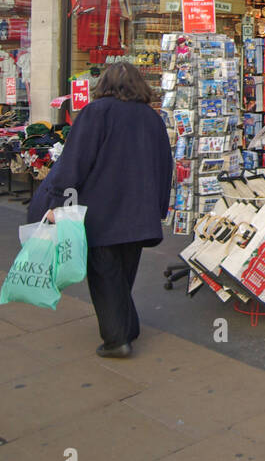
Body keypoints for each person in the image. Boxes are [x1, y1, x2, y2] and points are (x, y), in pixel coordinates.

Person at [28, 61, 172, 359]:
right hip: (139, 210)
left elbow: (74, 161)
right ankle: (127, 327)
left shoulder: (96, 112)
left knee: (105, 275)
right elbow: (164, 165)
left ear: (104, 84)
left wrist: (57, 201)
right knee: (123, 273)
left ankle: (116, 339)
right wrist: (159, 205)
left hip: (101, 209)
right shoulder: (151, 118)